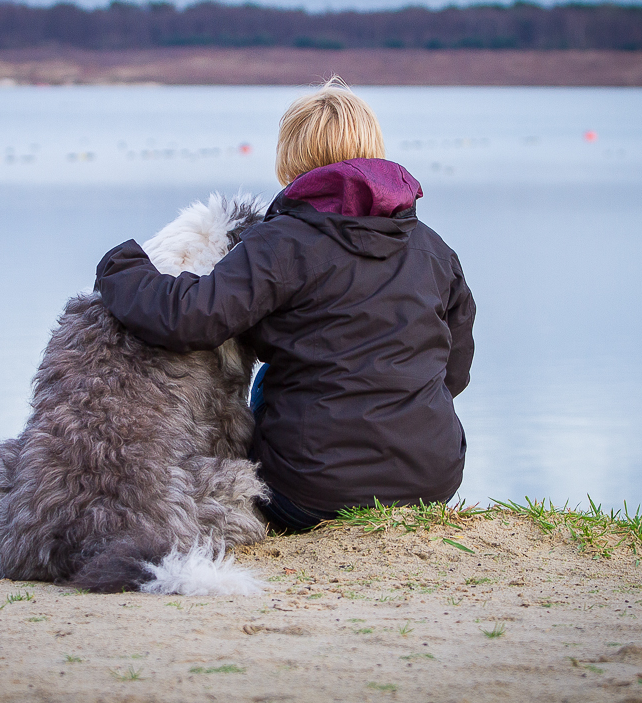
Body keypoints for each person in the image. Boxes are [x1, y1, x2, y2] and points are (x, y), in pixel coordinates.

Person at [94, 77, 475, 534]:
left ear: (291, 158)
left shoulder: (281, 243)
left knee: (271, 379)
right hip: (430, 483)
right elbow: (454, 369)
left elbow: (189, 318)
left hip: (308, 494)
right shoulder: (435, 250)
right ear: (375, 148)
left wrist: (123, 267)